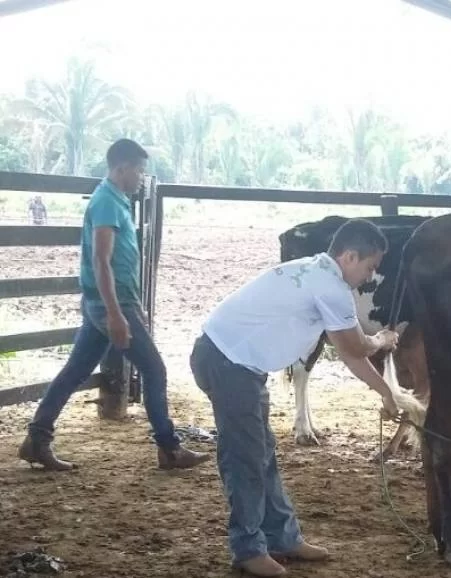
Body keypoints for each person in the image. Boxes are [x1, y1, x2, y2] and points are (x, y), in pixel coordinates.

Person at [189, 218, 402, 577]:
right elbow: (356, 347)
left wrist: (386, 392)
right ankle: (248, 548)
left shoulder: (314, 269)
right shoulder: (331, 287)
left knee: (261, 452)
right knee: (246, 457)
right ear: (350, 257)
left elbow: (349, 353)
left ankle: (282, 537)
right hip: (229, 362)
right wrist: (381, 340)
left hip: (234, 360)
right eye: (370, 267)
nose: (370, 276)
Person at [18, 138, 210, 472]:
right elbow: (101, 260)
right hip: (111, 302)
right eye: (139, 170)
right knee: (154, 370)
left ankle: (37, 439)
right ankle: (169, 448)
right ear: (122, 168)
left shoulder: (114, 199)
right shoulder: (107, 202)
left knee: (75, 371)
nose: (141, 177)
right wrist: (116, 313)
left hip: (110, 301)